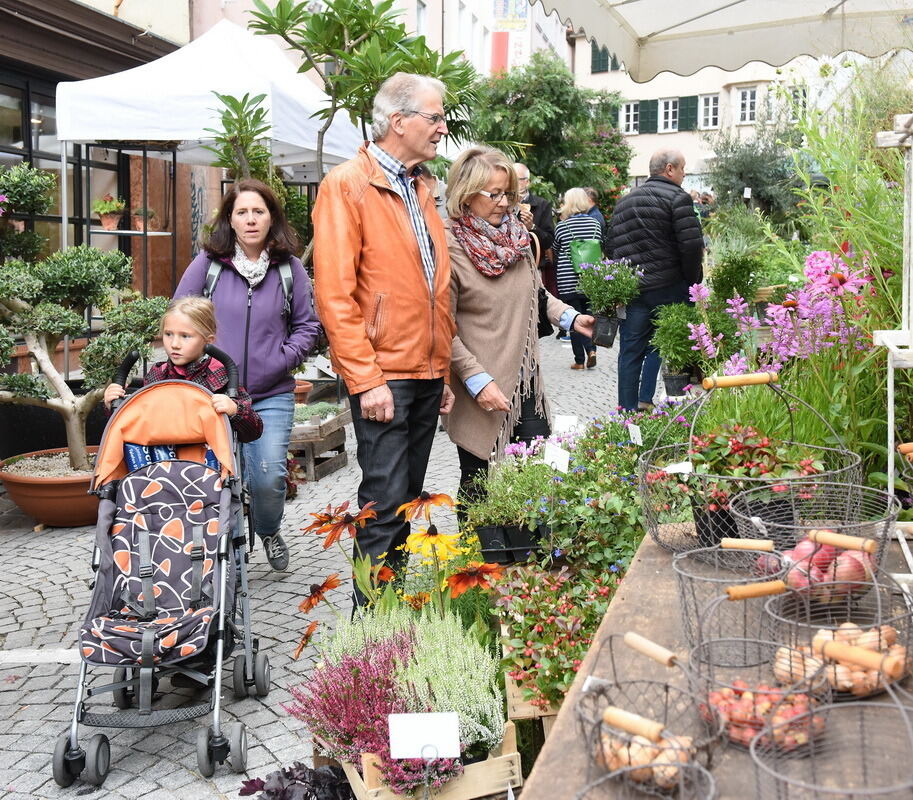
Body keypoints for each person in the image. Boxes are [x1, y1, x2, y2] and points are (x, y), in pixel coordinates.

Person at [312, 72, 455, 596]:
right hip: (383, 376)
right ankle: (370, 629)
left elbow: (436, 288)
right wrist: (366, 378)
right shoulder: (347, 183)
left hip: (422, 371)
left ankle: (387, 615)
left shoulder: (420, 187)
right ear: (399, 122)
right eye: (435, 117)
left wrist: (441, 371)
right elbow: (334, 294)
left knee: (403, 499)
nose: (442, 128)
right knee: (385, 501)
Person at [175, 178, 321, 571]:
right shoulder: (207, 265)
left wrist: (282, 358)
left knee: (268, 477)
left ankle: (269, 529)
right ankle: (227, 546)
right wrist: (201, 362)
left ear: (271, 217)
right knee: (218, 478)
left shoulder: (289, 269)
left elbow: (308, 325)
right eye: (242, 212)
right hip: (213, 392)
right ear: (230, 219)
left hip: (270, 393)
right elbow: (181, 315)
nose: (251, 219)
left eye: (259, 211)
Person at [444, 147, 594, 506]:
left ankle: (528, 558)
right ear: (465, 194)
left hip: (526, 382)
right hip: (479, 384)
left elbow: (537, 295)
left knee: (535, 477)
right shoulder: (447, 246)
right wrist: (478, 382)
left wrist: (572, 318)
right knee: (478, 483)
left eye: (508, 193)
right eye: (493, 194)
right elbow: (440, 327)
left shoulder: (517, 240)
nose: (503, 203)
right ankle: (476, 560)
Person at [608, 149, 704, 410]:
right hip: (669, 286)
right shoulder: (678, 198)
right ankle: (655, 400)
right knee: (668, 345)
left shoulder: (625, 202)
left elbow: (611, 246)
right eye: (683, 168)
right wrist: (692, 280)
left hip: (635, 289)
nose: (685, 174)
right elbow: (692, 245)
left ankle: (626, 412)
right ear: (669, 169)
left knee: (630, 351)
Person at [104, 296, 263, 443]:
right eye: (168, 334)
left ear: (208, 341)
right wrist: (114, 404)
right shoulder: (158, 375)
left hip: (209, 464)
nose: (174, 344)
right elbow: (135, 424)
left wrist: (235, 410)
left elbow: (254, 430)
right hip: (160, 460)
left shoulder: (221, 376)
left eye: (185, 336)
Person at [553, 187, 604, 371]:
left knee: (574, 319)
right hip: (590, 278)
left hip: (568, 279)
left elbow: (557, 250)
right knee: (590, 317)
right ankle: (593, 350)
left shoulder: (561, 227)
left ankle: (579, 360)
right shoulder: (595, 224)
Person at [514, 163, 557, 297]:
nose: (512, 184)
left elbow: (549, 240)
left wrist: (532, 227)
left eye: (516, 180)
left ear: (527, 182)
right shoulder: (503, 203)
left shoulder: (541, 204)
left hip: (533, 266)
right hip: (509, 267)